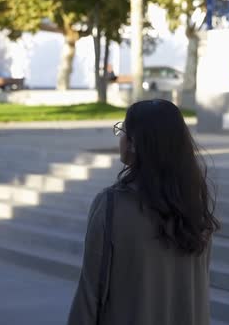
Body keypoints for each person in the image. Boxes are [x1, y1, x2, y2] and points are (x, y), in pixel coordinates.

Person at [68, 99, 220, 325]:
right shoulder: (194, 205)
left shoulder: (113, 205)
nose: (120, 139)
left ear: (135, 143)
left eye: (123, 132)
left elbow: (91, 293)